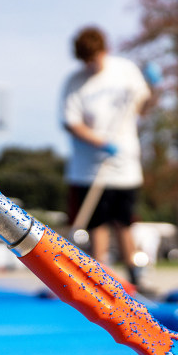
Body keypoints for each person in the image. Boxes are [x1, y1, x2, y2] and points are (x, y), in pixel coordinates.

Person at [60, 26, 159, 291]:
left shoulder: (125, 70)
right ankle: (99, 276)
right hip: (88, 167)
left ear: (105, 50)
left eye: (95, 58)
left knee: (124, 221)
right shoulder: (75, 82)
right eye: (86, 61)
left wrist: (154, 87)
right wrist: (100, 142)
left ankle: (136, 277)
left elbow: (143, 108)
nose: (92, 65)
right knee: (97, 224)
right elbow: (71, 123)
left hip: (125, 164)